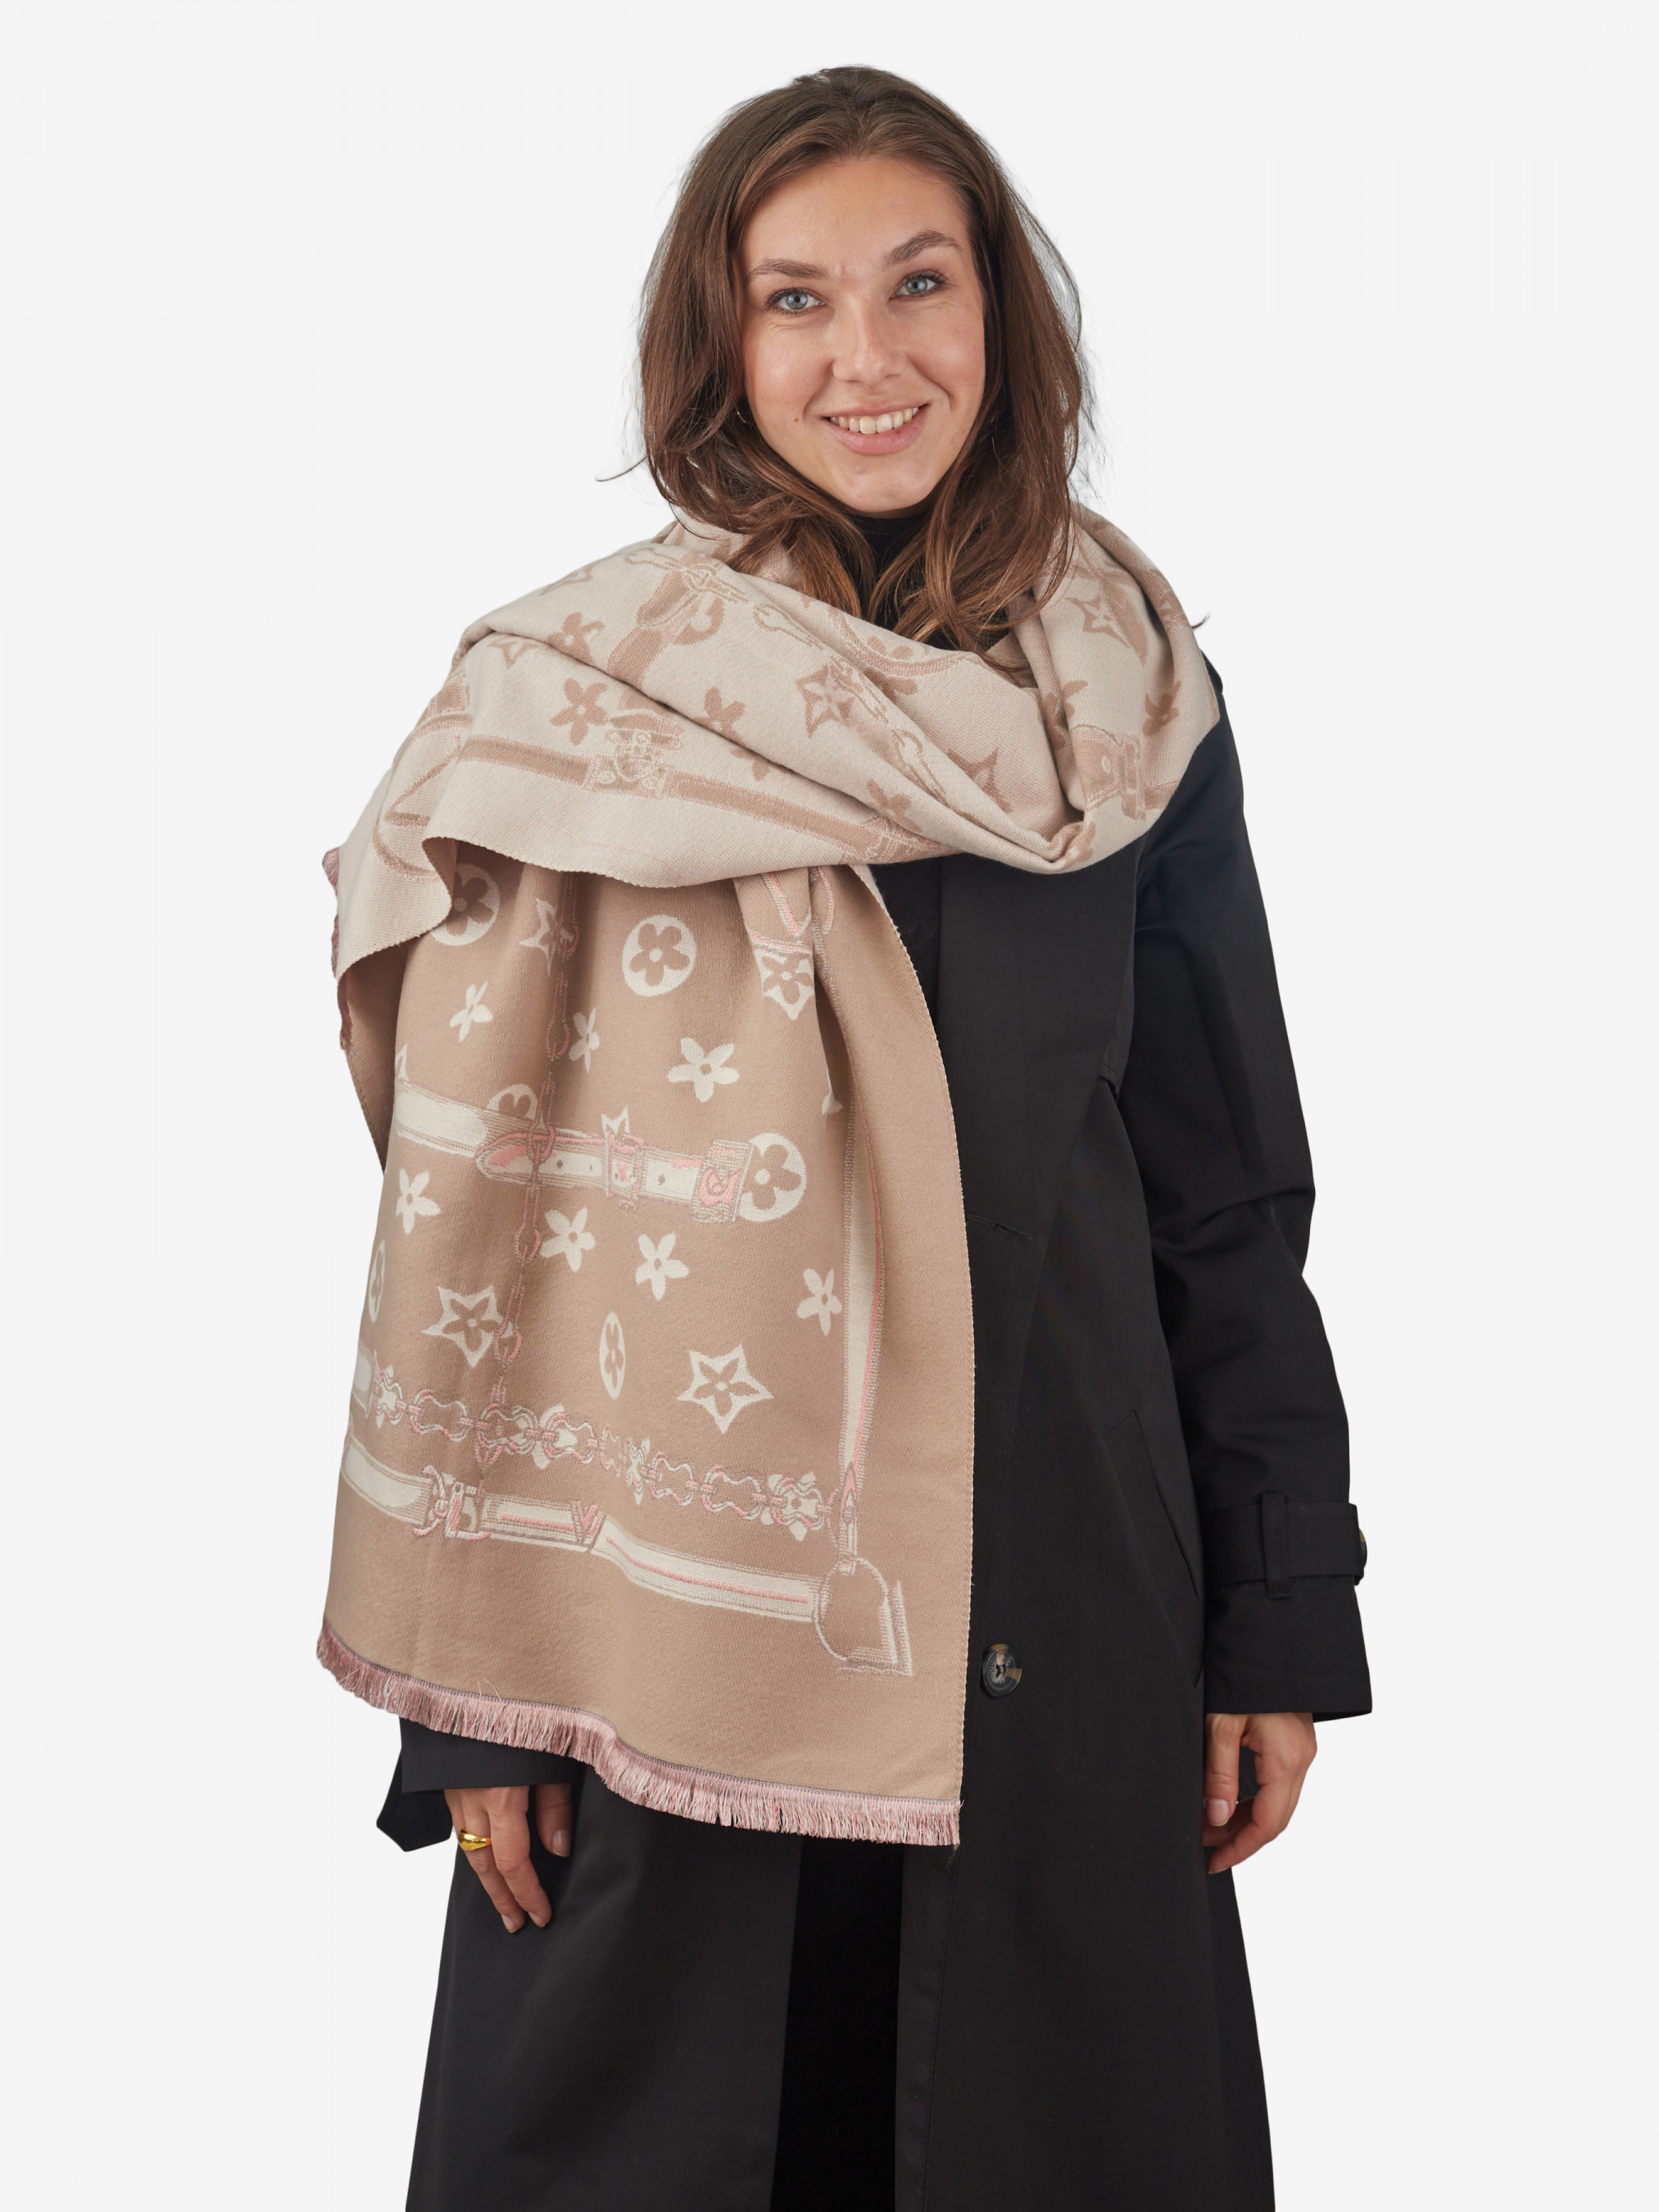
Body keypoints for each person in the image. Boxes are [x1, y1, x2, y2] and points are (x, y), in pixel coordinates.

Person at [318, 65, 1371, 2212]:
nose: (865, 354)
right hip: (648, 1629)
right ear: (717, 341)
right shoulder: (576, 705)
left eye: (919, 282)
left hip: (1063, 1604)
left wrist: (1276, 1614)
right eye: (793, 297)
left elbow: (1222, 1192)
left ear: (1001, 313)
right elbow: (474, 1229)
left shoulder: (1126, 700)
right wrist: (476, 1693)